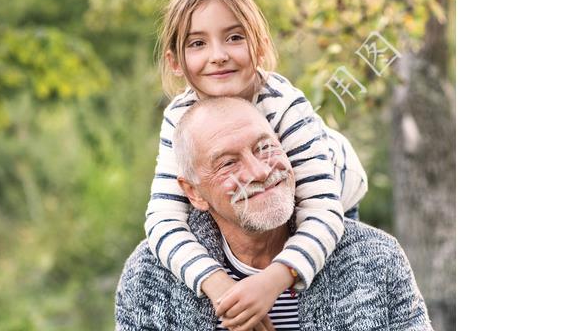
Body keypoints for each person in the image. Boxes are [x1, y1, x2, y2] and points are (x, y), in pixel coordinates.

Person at [145, 0, 368, 329]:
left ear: (260, 46)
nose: (217, 56)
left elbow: (322, 211)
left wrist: (272, 281)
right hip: (251, 211)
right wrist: (219, 285)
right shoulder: (180, 118)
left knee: (333, 293)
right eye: (197, 43)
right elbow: (162, 220)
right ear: (175, 61)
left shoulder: (284, 106)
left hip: (331, 194)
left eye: (234, 37)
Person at [119, 97, 432, 331]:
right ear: (194, 193)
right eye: (228, 163)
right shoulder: (149, 275)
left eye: (264, 147)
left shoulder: (376, 258)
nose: (259, 171)